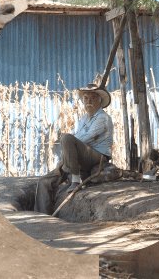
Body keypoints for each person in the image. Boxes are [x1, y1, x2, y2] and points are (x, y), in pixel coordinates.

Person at [33, 83, 114, 213]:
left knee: (66, 138)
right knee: (44, 181)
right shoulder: (84, 119)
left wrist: (68, 152)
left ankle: (75, 180)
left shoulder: (103, 118)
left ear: (99, 100)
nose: (89, 101)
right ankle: (41, 216)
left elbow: (84, 138)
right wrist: (67, 156)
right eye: (86, 98)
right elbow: (77, 138)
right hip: (81, 155)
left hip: (97, 156)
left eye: (92, 98)